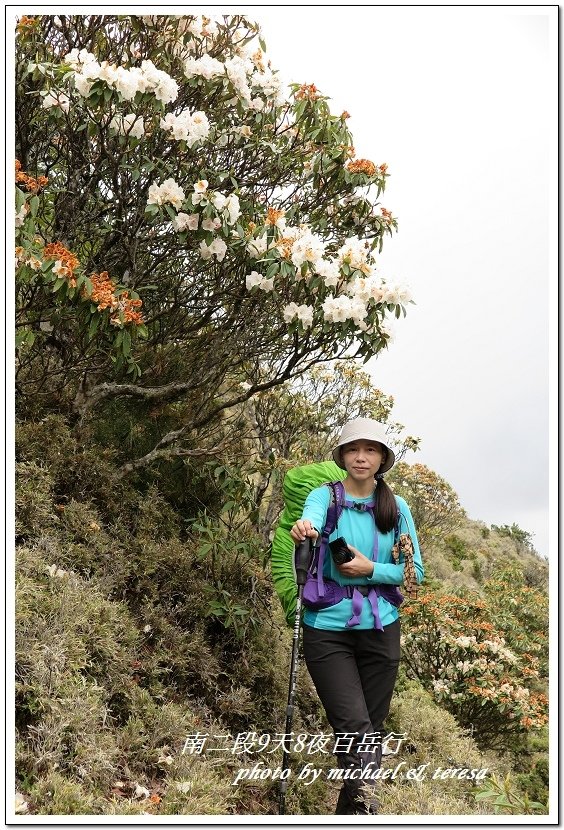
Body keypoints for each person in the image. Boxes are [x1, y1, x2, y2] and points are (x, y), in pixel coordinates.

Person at [290, 418, 424, 815]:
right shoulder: (325, 497)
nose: (360, 457)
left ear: (382, 457)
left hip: (381, 629)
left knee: (369, 734)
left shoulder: (396, 508)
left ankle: (349, 816)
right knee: (355, 729)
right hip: (328, 630)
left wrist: (371, 570)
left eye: (370, 450)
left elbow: (415, 573)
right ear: (342, 455)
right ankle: (368, 815)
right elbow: (310, 519)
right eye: (352, 449)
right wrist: (306, 529)